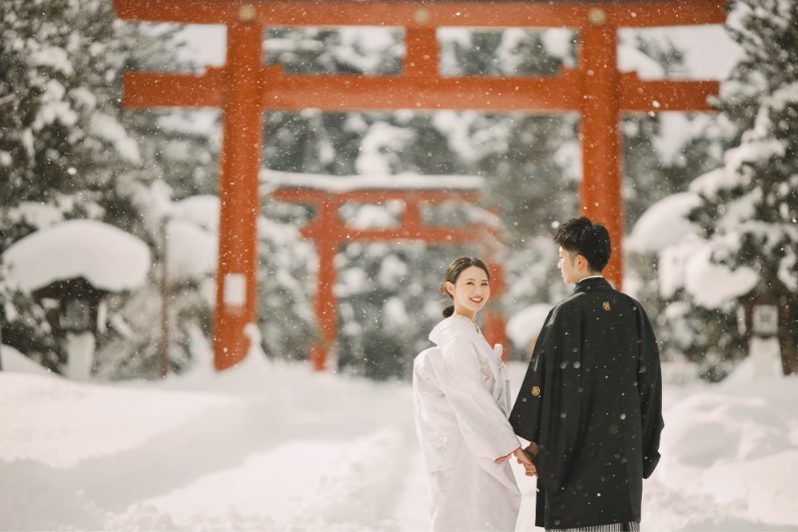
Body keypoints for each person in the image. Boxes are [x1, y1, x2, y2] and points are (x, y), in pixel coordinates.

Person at [510, 217, 664, 531]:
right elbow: (650, 389)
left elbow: (544, 387)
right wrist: (643, 453)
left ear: (578, 261)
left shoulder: (565, 314)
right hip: (622, 470)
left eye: (561, 258)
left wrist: (537, 448)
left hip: (574, 467)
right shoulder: (632, 311)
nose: (559, 265)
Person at [413, 257, 532, 531]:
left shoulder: (468, 335)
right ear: (450, 288)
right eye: (469, 283)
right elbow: (470, 396)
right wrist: (511, 445)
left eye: (483, 283)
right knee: (474, 517)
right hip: (468, 445)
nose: (478, 290)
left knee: (474, 517)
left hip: (473, 441)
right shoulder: (458, 339)